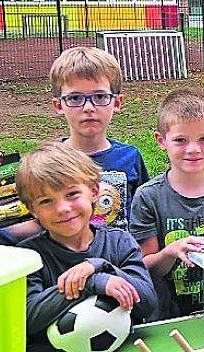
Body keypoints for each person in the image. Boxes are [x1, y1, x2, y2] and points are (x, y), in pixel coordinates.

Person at [129, 88, 204, 320]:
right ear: (161, 140)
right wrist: (171, 252)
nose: (193, 149)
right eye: (180, 140)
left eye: (203, 139)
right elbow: (145, 265)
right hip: (168, 317)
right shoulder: (148, 197)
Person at [16, 142, 156, 336]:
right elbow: (27, 319)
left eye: (72, 194)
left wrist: (100, 266)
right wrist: (91, 283)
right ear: (32, 209)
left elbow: (147, 303)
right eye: (46, 201)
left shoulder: (119, 242)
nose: (63, 208)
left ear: (94, 192)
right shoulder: (28, 257)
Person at [50, 47, 149, 230]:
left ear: (117, 103)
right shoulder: (48, 161)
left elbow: (145, 217)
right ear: (59, 105)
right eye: (75, 98)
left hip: (122, 257)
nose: (88, 107)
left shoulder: (130, 157)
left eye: (100, 96)